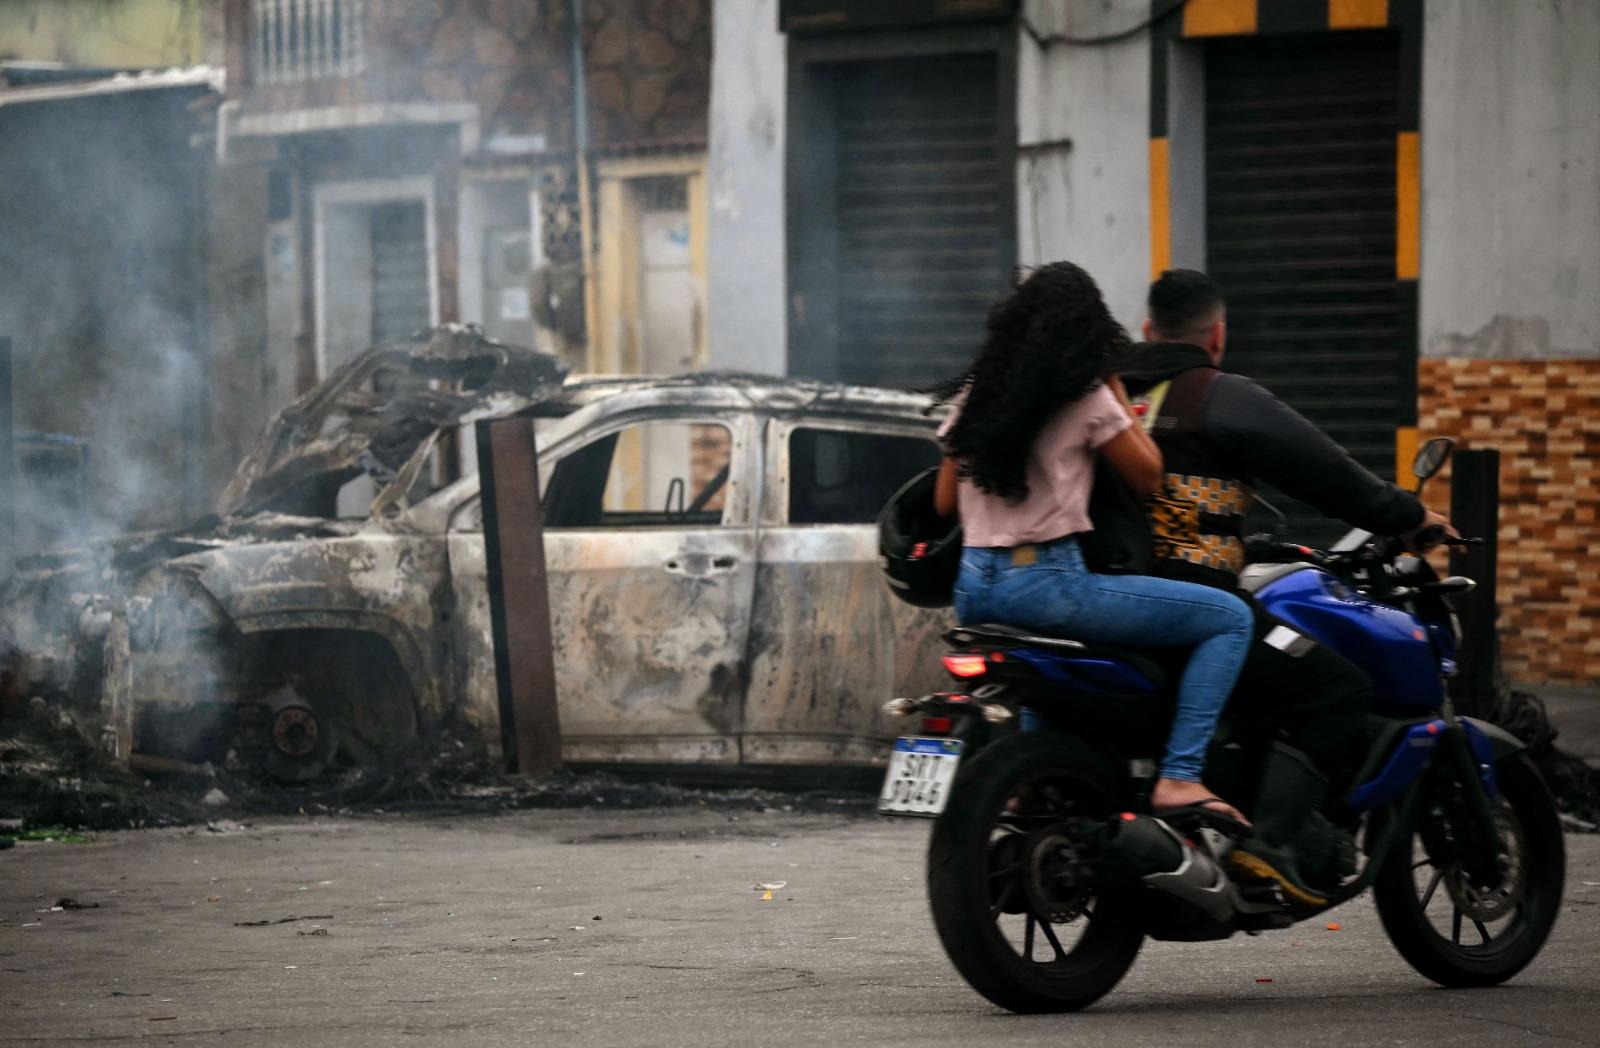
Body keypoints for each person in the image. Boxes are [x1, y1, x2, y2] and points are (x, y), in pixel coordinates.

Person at [1120, 268, 1455, 904]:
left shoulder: (1106, 396)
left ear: (1146, 329)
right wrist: (1408, 516)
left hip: (1104, 597)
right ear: (1217, 336)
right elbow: (1323, 469)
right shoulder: (1215, 395)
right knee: (1336, 688)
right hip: (1194, 600)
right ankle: (1269, 847)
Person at [931, 262, 1256, 824]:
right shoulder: (1085, 394)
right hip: (1047, 583)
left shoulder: (978, 392)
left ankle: (1039, 782)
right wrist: (1113, 385)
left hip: (974, 587)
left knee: (1044, 679)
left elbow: (943, 503)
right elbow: (1148, 474)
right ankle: (1180, 776)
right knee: (1230, 618)